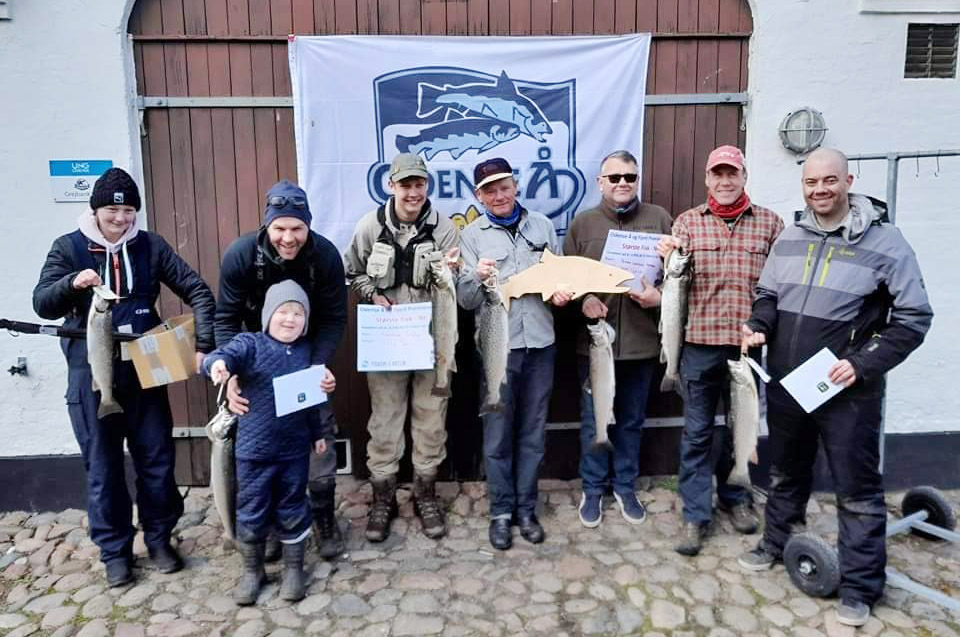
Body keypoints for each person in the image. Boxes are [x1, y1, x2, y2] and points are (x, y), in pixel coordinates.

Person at [738, 148, 933, 627]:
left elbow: (913, 318)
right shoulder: (789, 237)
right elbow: (768, 294)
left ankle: (862, 587)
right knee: (786, 471)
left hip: (847, 390)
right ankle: (776, 541)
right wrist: (758, 323)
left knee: (858, 489)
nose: (819, 190)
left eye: (829, 181)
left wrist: (863, 363)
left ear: (848, 180)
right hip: (790, 383)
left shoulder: (888, 244)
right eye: (811, 183)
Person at [33, 168, 216, 587]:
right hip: (91, 374)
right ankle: (115, 552)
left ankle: (160, 538)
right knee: (104, 467)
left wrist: (202, 343)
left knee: (157, 460)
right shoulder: (68, 247)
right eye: (113, 209)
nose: (120, 219)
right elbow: (42, 302)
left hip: (145, 370)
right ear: (95, 209)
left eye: (129, 210)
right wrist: (71, 283)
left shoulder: (150, 247)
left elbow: (198, 290)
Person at [658, 145, 784, 556]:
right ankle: (696, 515)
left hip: (748, 348)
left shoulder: (770, 224)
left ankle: (736, 499)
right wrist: (667, 259)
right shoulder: (688, 223)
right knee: (696, 434)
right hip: (698, 346)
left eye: (733, 173)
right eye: (718, 174)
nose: (726, 181)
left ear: (744, 177)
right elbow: (675, 284)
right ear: (707, 179)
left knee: (740, 430)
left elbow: (780, 285)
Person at [215, 180, 347, 559]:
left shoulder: (325, 256)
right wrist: (233, 372)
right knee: (258, 448)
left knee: (317, 440)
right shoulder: (241, 254)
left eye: (297, 229)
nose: (288, 238)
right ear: (267, 226)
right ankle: (267, 524)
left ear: (308, 226)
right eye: (280, 228)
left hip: (304, 360)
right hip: (252, 363)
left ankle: (323, 518)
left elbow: (335, 318)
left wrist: (315, 364)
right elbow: (225, 317)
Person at [343, 153, 459, 543]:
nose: (413, 192)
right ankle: (384, 495)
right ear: (391, 186)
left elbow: (454, 282)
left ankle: (425, 493)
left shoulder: (443, 228)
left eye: (419, 184)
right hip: (388, 342)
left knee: (432, 418)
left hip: (431, 341)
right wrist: (373, 294)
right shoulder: (368, 227)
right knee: (385, 420)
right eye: (405, 184)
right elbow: (353, 272)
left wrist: (453, 271)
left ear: (427, 186)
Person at [457, 157, 571, 550]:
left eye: (504, 186)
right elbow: (467, 300)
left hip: (540, 345)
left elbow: (558, 283)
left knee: (533, 433)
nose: (499, 195)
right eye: (490, 190)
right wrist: (476, 276)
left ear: (516, 186)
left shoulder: (541, 227)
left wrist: (561, 295)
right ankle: (501, 512)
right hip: (496, 350)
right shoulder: (471, 236)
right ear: (479, 196)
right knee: (498, 435)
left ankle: (526, 509)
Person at [564, 150, 673, 527]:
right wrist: (584, 298)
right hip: (595, 346)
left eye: (630, 176)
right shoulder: (582, 225)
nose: (623, 183)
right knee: (596, 421)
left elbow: (676, 276)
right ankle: (593, 488)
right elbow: (566, 280)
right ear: (600, 183)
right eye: (615, 178)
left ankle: (624, 486)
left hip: (642, 343)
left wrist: (659, 296)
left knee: (630, 421)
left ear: (637, 179)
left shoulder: (659, 219)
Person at [205, 280, 331, 605]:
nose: (290, 319)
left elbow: (310, 402)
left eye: (298, 313)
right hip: (253, 453)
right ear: (268, 315)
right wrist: (217, 365)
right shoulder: (250, 344)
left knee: (293, 506)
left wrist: (317, 435)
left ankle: (293, 569)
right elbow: (224, 355)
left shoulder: (306, 351)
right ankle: (253, 570)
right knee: (251, 509)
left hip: (294, 453)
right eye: (283, 312)